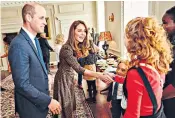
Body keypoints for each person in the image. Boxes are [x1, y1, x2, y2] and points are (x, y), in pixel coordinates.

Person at [8, 3, 61, 118]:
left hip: (37, 104)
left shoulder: (35, 40)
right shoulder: (18, 45)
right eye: (41, 18)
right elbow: (22, 84)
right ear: (28, 17)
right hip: (30, 108)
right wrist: (48, 101)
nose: (45, 22)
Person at [53, 20, 114, 118]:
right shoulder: (66, 48)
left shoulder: (74, 46)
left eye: (85, 31)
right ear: (73, 32)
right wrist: (99, 75)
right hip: (63, 79)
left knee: (70, 104)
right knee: (64, 106)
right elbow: (79, 68)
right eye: (79, 31)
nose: (83, 34)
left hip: (69, 77)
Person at [122, 17, 173, 118]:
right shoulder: (158, 63)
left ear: (134, 40)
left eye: (126, 35)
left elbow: (132, 115)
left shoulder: (135, 74)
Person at [78, 33, 99, 103]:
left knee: (89, 84)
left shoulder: (86, 51)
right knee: (93, 82)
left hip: (87, 68)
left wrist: (80, 63)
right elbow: (96, 59)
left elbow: (83, 60)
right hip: (93, 67)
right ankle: (95, 97)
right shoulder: (94, 50)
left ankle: (91, 98)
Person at [162, 6, 175, 118]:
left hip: (170, 101)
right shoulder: (170, 43)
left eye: (165, 23)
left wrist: (156, 97)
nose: (163, 26)